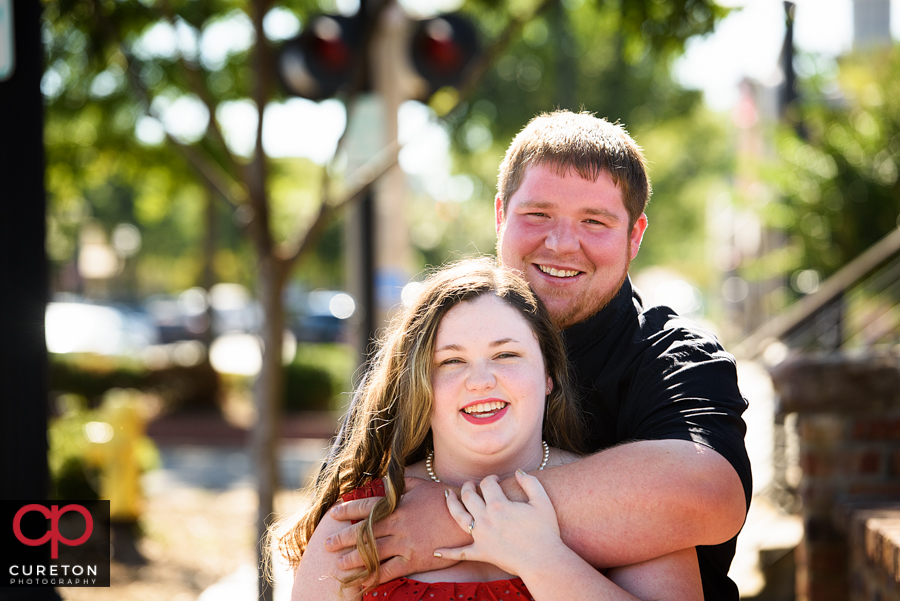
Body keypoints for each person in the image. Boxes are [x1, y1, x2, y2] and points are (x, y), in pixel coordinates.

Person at [323, 110, 753, 600]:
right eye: (538, 215)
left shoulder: (675, 358)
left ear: (635, 236)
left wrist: (452, 517)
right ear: (502, 215)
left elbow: (707, 493)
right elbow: (336, 538)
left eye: (595, 221)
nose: (562, 243)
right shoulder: (421, 355)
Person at [278, 258, 703, 600]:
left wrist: (543, 560)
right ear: (418, 386)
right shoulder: (359, 526)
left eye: (506, 355)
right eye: (451, 361)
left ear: (549, 374)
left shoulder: (630, 505)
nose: (480, 380)